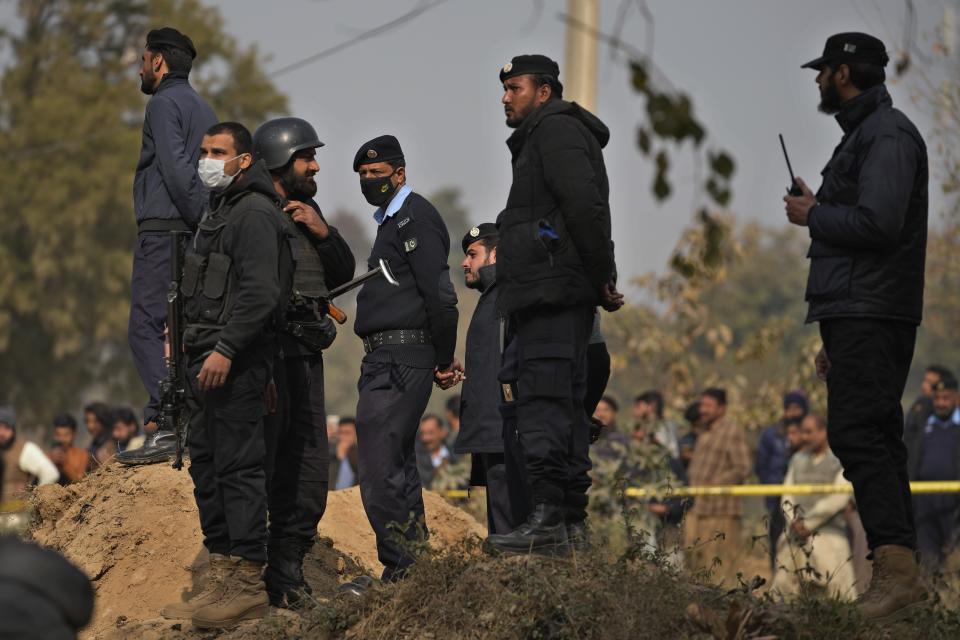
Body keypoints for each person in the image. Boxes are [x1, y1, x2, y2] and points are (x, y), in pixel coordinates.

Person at [784, 32, 929, 621]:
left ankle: (896, 578)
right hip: (856, 313)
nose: (817, 80)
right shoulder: (867, 136)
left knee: (862, 435)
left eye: (823, 71)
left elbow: (880, 223)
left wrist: (815, 213)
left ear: (843, 73)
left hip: (873, 310)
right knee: (870, 433)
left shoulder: (887, 135)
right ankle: (899, 576)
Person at [484, 54, 621, 557]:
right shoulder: (545, 135)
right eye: (503, 88)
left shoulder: (555, 132)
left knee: (544, 404)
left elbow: (584, 207)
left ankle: (547, 521)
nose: (504, 96)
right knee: (562, 406)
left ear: (544, 91)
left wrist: (601, 273)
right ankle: (569, 527)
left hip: (553, 293)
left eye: (514, 87)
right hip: (552, 292)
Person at [159, 121, 292, 628]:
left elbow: (261, 294)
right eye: (204, 151)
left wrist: (228, 349)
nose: (207, 160)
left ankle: (246, 584)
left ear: (244, 160)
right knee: (209, 467)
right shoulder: (221, 212)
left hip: (233, 365)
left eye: (219, 152)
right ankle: (221, 572)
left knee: (239, 469)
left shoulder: (255, 214)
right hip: (203, 360)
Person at [252, 117, 356, 608]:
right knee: (265, 464)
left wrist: (324, 231)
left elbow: (340, 272)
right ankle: (249, 573)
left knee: (309, 466)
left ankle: (289, 572)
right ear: (278, 160)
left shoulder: (306, 210)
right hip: (265, 359)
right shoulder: (249, 212)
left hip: (305, 356)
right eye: (306, 158)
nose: (315, 165)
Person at [348, 134, 459, 588]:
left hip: (401, 357)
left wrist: (445, 359)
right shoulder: (390, 222)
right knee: (395, 464)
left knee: (377, 466)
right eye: (363, 176)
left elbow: (441, 297)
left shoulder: (415, 217)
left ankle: (401, 567)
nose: (370, 181)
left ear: (400, 173)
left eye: (377, 174)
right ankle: (414, 569)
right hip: (386, 359)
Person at [124, 27, 217, 463]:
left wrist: (197, 216)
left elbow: (179, 172)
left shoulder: (162, 104)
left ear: (158, 61)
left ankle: (167, 421)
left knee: (144, 326)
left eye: (143, 59)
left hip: (165, 232)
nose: (141, 67)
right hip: (192, 234)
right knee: (176, 331)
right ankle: (173, 416)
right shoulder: (202, 106)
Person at [451, 224, 530, 533]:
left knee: (512, 532)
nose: (464, 263)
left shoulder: (508, 297)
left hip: (506, 433)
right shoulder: (491, 299)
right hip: (495, 435)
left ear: (495, 254)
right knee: (503, 527)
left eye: (472, 254)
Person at [772, 414, 856, 600]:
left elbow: (839, 498)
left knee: (836, 589)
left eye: (809, 432)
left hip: (829, 532)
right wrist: (794, 521)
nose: (804, 437)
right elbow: (787, 493)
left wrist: (809, 523)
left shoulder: (839, 460)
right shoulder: (797, 460)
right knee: (784, 586)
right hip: (795, 532)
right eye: (802, 432)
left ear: (823, 432)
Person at [683, 388, 750, 583]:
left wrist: (715, 484)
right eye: (702, 405)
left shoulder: (731, 431)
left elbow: (742, 467)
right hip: (697, 507)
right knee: (693, 560)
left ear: (721, 408)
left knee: (720, 564)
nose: (703, 410)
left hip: (720, 510)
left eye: (708, 406)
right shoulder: (704, 431)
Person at [907, 375, 960, 570]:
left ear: (956, 398)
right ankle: (930, 598)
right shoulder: (924, 426)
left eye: (946, 398)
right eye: (937, 398)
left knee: (954, 557)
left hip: (954, 503)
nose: (941, 403)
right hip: (925, 501)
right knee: (928, 558)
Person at [755, 391, 810, 571]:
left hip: (806, 500)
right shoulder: (772, 435)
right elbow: (761, 466)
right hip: (778, 500)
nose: (792, 413)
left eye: (797, 408)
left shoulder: (811, 433)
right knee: (778, 542)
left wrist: (799, 445)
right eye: (789, 408)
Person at [0, 407, 60, 533]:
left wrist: (34, 502)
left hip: (16, 520)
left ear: (13, 430)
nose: (2, 433)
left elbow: (50, 473)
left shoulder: (25, 449)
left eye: (6, 428)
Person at [904, 365, 954, 468]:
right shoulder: (917, 409)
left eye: (930, 383)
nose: (924, 386)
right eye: (924, 381)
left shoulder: (952, 420)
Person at [633, 390, 680, 459]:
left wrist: (644, 437)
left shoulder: (665, 425)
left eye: (638, 406)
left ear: (652, 405)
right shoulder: (643, 426)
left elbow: (665, 447)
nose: (634, 410)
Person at [47, 413, 89, 485]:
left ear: (74, 435)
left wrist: (65, 465)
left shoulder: (81, 455)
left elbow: (80, 480)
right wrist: (50, 462)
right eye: (58, 434)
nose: (62, 439)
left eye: (66, 435)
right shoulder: (48, 456)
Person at [417, 415, 452, 490]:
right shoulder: (416, 460)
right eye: (422, 433)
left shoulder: (455, 455)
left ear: (442, 432)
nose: (425, 438)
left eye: (430, 433)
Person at [83, 402, 116, 469]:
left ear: (103, 421)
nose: (90, 426)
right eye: (87, 421)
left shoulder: (111, 442)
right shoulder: (94, 443)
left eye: (95, 422)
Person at [330, 417, 359, 490]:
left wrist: (343, 457)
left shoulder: (361, 454)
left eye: (347, 433)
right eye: (340, 433)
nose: (343, 437)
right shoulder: (331, 452)